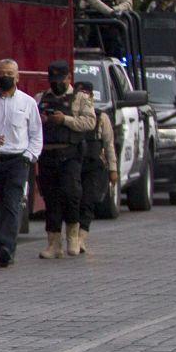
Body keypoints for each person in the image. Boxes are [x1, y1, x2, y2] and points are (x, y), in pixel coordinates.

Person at [0, 59, 42, 268]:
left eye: (9, 73)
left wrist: (28, 156)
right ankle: (4, 241)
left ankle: (5, 247)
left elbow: (36, 134)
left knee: (13, 203)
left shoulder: (27, 103)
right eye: (1, 73)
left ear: (17, 77)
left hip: (17, 161)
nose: (5, 77)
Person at [35, 60, 97, 258]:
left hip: (70, 154)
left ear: (69, 78)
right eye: (53, 80)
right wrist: (43, 119)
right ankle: (53, 243)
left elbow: (89, 122)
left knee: (71, 194)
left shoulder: (80, 99)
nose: (56, 84)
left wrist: (65, 120)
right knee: (51, 199)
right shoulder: (41, 97)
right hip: (48, 154)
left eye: (60, 79)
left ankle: (73, 237)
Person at [74, 79, 115, 257]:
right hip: (74, 163)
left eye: (86, 95)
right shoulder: (71, 116)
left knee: (88, 200)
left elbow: (109, 144)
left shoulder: (101, 118)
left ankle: (81, 237)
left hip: (93, 165)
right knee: (73, 199)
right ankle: (72, 235)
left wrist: (113, 169)